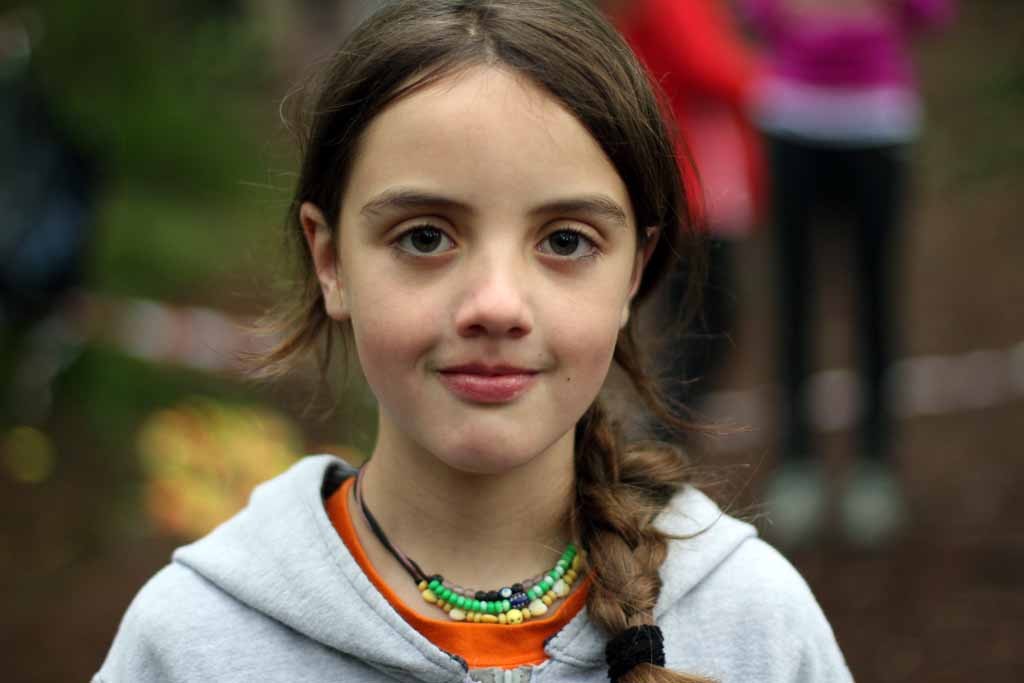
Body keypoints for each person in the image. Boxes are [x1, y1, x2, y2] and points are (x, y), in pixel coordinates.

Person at [94, 2, 851, 681]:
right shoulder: (191, 643)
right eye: (425, 236)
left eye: (565, 240)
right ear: (331, 261)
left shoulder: (756, 626)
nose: (496, 305)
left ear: (633, 271)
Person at [740, 0, 955, 548]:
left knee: (877, 299)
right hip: (793, 122)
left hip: (877, 125)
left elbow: (935, 14)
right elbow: (753, 14)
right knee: (793, 300)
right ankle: (796, 462)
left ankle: (875, 465)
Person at [605, 0, 766, 421]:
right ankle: (661, 428)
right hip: (692, 184)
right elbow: (705, 66)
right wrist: (772, 78)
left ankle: (664, 425)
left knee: (699, 319)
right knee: (703, 322)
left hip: (697, 183)